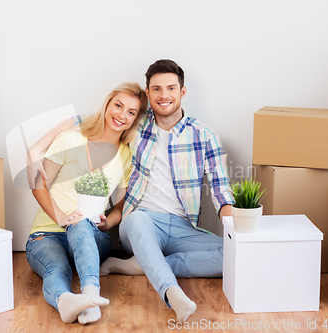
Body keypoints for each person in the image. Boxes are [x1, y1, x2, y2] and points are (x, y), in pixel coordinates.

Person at [27, 60, 234, 323]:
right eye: (156, 89)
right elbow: (89, 120)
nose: (164, 95)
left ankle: (138, 265)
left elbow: (221, 187)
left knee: (235, 253)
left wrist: (233, 225)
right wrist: (35, 150)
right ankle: (171, 292)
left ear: (182, 92)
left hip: (184, 226)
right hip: (141, 220)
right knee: (126, 220)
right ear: (149, 94)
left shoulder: (205, 135)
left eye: (171, 88)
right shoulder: (137, 127)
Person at [26, 82, 148, 325]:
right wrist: (61, 217)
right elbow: (38, 184)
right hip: (46, 234)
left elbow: (123, 202)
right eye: (118, 105)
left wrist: (109, 223)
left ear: (135, 120)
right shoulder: (70, 139)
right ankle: (65, 302)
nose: (122, 115)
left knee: (80, 222)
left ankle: (91, 294)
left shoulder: (125, 153)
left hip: (92, 235)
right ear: (107, 104)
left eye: (131, 112)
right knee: (56, 270)